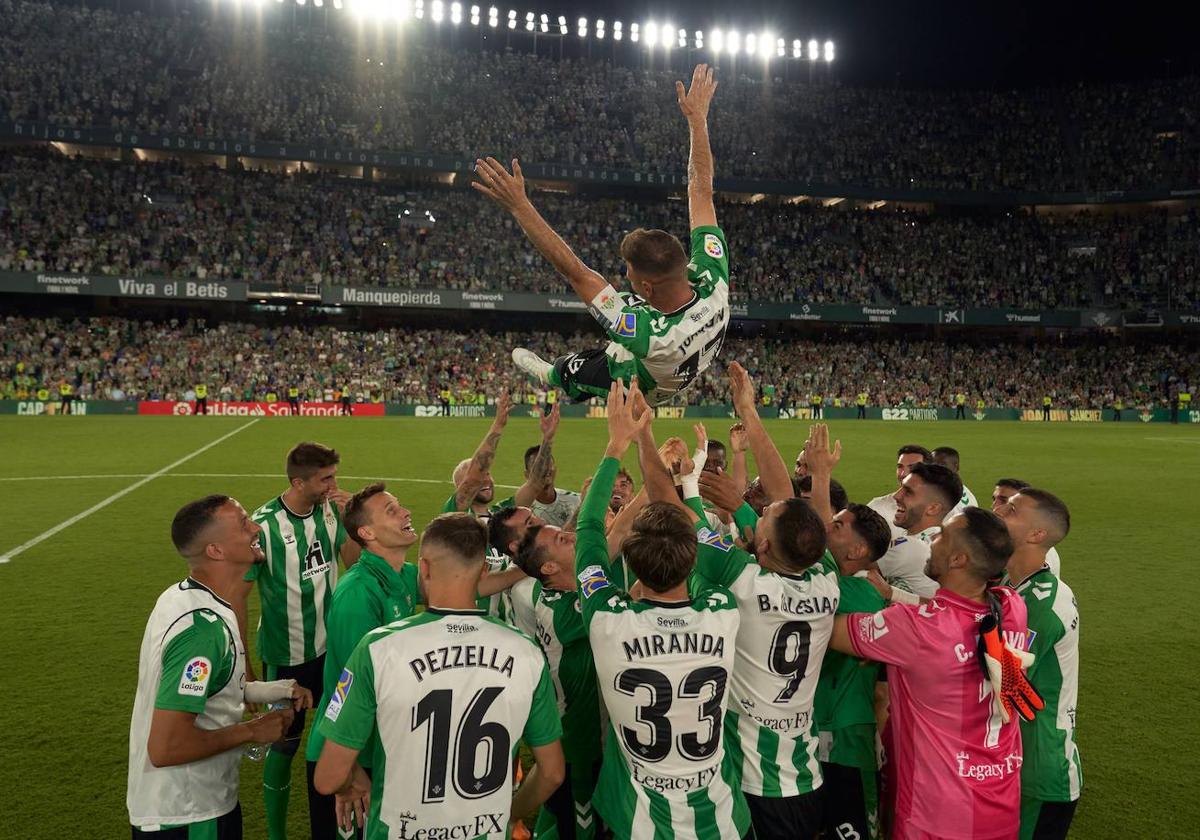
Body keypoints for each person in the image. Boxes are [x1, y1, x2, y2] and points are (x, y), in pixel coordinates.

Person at [474, 65, 729, 406]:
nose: (626, 275)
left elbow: (576, 273)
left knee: (575, 371)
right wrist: (698, 120)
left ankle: (549, 373)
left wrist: (520, 206)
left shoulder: (645, 335)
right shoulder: (713, 280)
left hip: (639, 383)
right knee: (625, 307)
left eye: (630, 272)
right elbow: (701, 191)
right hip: (684, 349)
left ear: (649, 286)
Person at [313, 513, 566, 839]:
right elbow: (553, 772)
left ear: (425, 568)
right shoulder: (525, 652)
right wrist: (509, 813)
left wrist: (349, 780)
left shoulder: (379, 649)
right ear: (484, 570)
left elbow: (328, 778)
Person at [574, 379, 751, 838]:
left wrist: (619, 445)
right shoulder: (723, 607)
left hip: (636, 821)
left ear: (629, 562)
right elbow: (696, 533)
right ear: (693, 558)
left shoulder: (607, 619)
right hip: (723, 818)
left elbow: (591, 534)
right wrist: (685, 482)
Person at [829, 507, 1033, 840]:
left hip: (936, 816)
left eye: (940, 536)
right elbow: (955, 617)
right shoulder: (1011, 606)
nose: (931, 541)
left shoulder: (914, 630)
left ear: (958, 560)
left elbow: (829, 631)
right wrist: (896, 603)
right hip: (1000, 810)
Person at [128, 495, 311, 839]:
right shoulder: (202, 631)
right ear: (215, 550)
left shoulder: (187, 598)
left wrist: (278, 689)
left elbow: (213, 686)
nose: (256, 527)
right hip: (188, 815)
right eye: (244, 524)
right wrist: (253, 731)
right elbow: (166, 747)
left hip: (193, 807)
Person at [242, 442, 359, 840]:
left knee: (342, 736)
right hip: (287, 657)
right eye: (326, 478)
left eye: (334, 476)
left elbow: (355, 565)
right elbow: (237, 598)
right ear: (298, 481)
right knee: (284, 743)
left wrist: (347, 518)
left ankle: (343, 821)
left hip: (335, 653)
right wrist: (245, 669)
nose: (334, 484)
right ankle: (277, 834)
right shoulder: (263, 526)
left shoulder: (329, 511)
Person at [304, 483, 422, 839]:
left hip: (375, 748)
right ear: (367, 533)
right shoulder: (358, 593)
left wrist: (529, 569)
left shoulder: (400, 575)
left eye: (400, 506)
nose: (406, 513)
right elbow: (347, 685)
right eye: (391, 510)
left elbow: (460, 585)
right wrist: (350, 772)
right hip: (347, 754)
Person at [804, 436, 894, 840]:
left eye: (837, 526)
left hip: (846, 741)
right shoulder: (843, 584)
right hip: (810, 732)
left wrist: (822, 475)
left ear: (858, 550)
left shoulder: (864, 594)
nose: (826, 527)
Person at [509, 523, 605, 839]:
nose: (574, 538)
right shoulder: (564, 611)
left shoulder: (555, 593)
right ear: (549, 566)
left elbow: (613, 539)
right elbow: (623, 609)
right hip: (579, 747)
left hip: (586, 739)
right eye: (562, 539)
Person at [997, 489, 1082, 840]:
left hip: (1040, 771)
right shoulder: (1009, 584)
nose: (998, 510)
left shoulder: (1040, 606)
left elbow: (1000, 682)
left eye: (1011, 509)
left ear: (1036, 535)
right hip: (1017, 761)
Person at [873, 462, 962, 600]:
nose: (896, 496)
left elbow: (846, 562)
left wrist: (825, 475)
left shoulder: (911, 547)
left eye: (908, 492)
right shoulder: (944, 544)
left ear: (933, 508)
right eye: (901, 488)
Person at [991, 479, 1062, 577]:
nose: (994, 507)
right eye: (994, 499)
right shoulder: (1011, 539)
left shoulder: (1038, 554)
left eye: (1004, 501)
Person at [867, 445, 932, 535]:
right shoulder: (878, 509)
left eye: (912, 467)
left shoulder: (944, 509)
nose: (902, 474)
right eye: (900, 467)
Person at [932, 446, 979, 512]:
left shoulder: (945, 500)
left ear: (956, 467)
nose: (935, 469)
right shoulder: (962, 491)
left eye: (942, 465)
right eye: (932, 465)